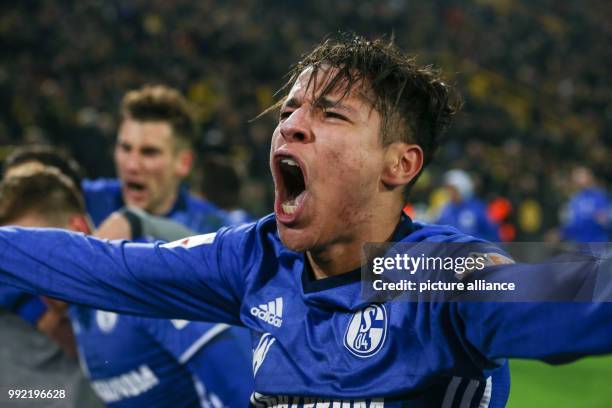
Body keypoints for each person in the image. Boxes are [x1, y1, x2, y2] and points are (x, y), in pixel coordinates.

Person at [0, 34, 610, 407]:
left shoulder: (433, 275)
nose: (290, 124)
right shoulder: (253, 259)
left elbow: (576, 289)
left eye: (332, 115)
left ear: (399, 164)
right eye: (289, 109)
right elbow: (99, 265)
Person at [0, 167, 253, 407]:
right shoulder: (73, 314)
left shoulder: (141, 278)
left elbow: (236, 379)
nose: (27, 271)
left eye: (33, 251)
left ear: (77, 229)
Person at [81, 85, 228, 232]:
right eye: (125, 148)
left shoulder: (213, 228)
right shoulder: (84, 203)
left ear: (184, 163)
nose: (132, 165)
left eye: (149, 152)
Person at [436, 169, 500, 241]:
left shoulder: (478, 209)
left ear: (463, 188)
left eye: (453, 189)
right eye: (448, 189)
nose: (449, 192)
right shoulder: (445, 211)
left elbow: (493, 233)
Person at [560, 166, 610, 242]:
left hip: (600, 244)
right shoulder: (574, 200)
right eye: (576, 177)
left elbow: (606, 220)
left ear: (589, 176)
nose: (578, 179)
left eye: (581, 176)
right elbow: (572, 225)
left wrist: (605, 220)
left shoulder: (601, 196)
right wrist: (560, 232)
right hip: (580, 246)